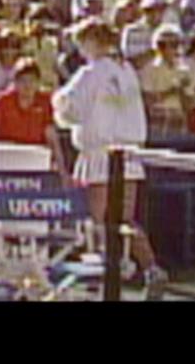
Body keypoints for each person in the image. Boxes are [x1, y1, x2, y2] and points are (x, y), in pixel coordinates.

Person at [52, 17, 167, 299]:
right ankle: (151, 269)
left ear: (92, 41)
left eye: (82, 42)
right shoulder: (126, 70)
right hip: (129, 155)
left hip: (102, 156)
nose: (80, 49)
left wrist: (58, 101)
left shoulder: (90, 73)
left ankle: (105, 279)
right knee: (125, 219)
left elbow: (70, 112)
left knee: (100, 220)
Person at [0, 58, 68, 179]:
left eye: (32, 80)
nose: (27, 86)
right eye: (23, 81)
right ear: (15, 83)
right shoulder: (1, 102)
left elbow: (52, 138)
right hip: (3, 162)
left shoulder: (44, 102)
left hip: (34, 161)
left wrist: (62, 170)